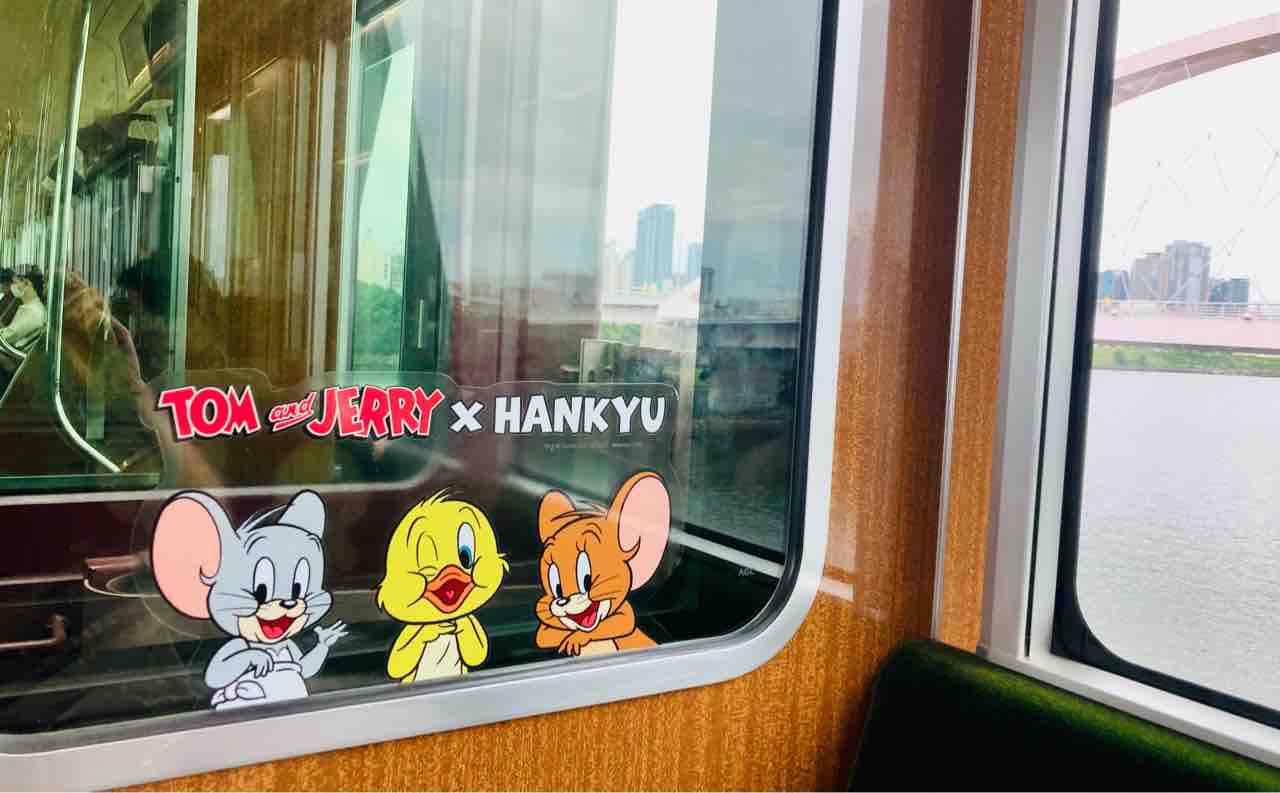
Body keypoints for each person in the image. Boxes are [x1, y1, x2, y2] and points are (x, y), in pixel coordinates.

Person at [0, 269, 47, 352]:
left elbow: (8, 336)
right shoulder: (30, 307)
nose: (14, 286)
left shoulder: (33, 312)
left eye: (15, 283)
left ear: (28, 285)